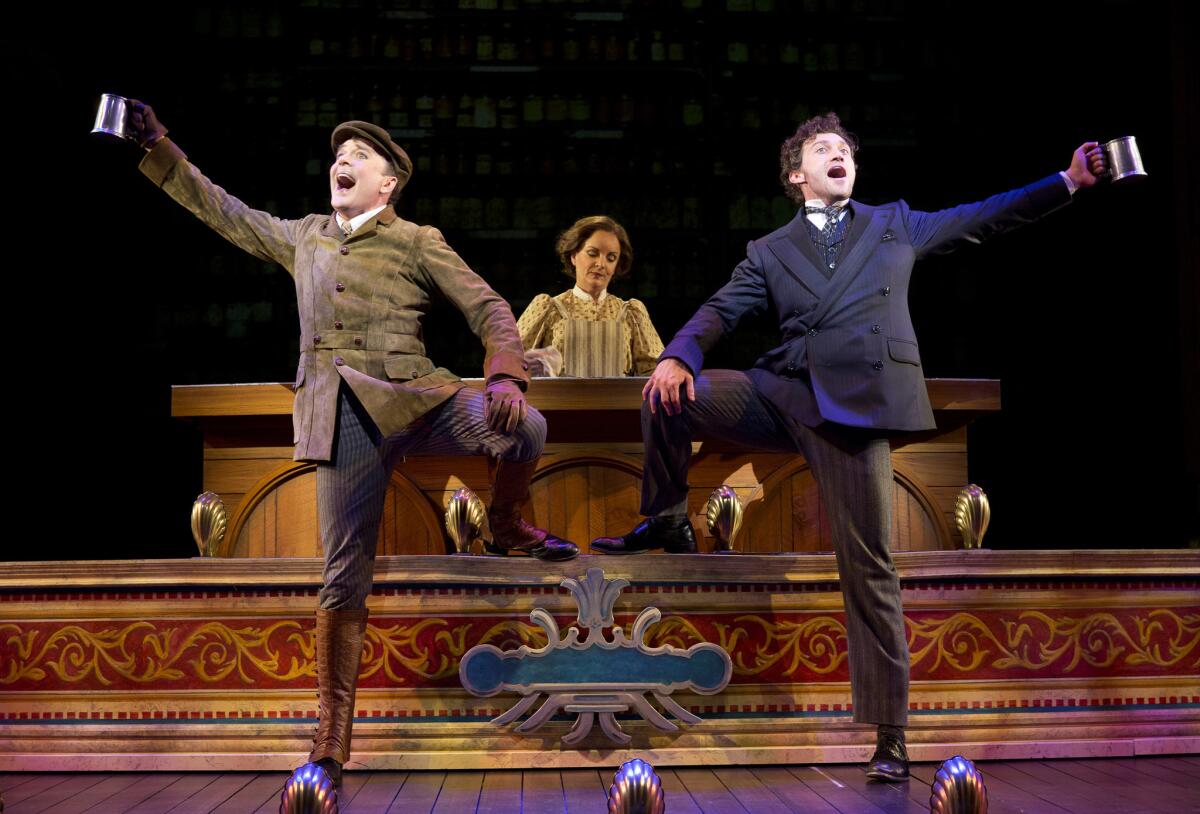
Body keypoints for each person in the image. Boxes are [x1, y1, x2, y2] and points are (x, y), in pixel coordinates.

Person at [591, 113, 1107, 781]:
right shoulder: (770, 249)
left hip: (856, 412)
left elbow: (983, 215)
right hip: (782, 392)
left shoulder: (894, 222)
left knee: (871, 567)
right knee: (666, 389)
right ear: (797, 175)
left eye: (845, 150)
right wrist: (679, 354)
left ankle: (890, 735)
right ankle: (665, 516)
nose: (839, 155)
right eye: (822, 149)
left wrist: (1066, 180)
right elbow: (720, 310)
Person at [126, 102, 579, 786]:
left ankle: (507, 524)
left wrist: (507, 374)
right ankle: (330, 741)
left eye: (359, 157)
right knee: (343, 574)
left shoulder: (416, 239)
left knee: (528, 429)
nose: (343, 162)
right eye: (339, 156)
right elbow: (222, 211)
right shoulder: (303, 235)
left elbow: (488, 308)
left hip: (418, 399)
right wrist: (158, 146)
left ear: (387, 184)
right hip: (340, 416)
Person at [516, 215, 664, 377]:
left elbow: (655, 373)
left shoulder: (631, 313)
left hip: (619, 402)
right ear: (573, 255)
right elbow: (507, 363)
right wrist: (536, 366)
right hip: (560, 401)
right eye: (592, 253)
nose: (601, 264)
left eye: (611, 258)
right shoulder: (548, 307)